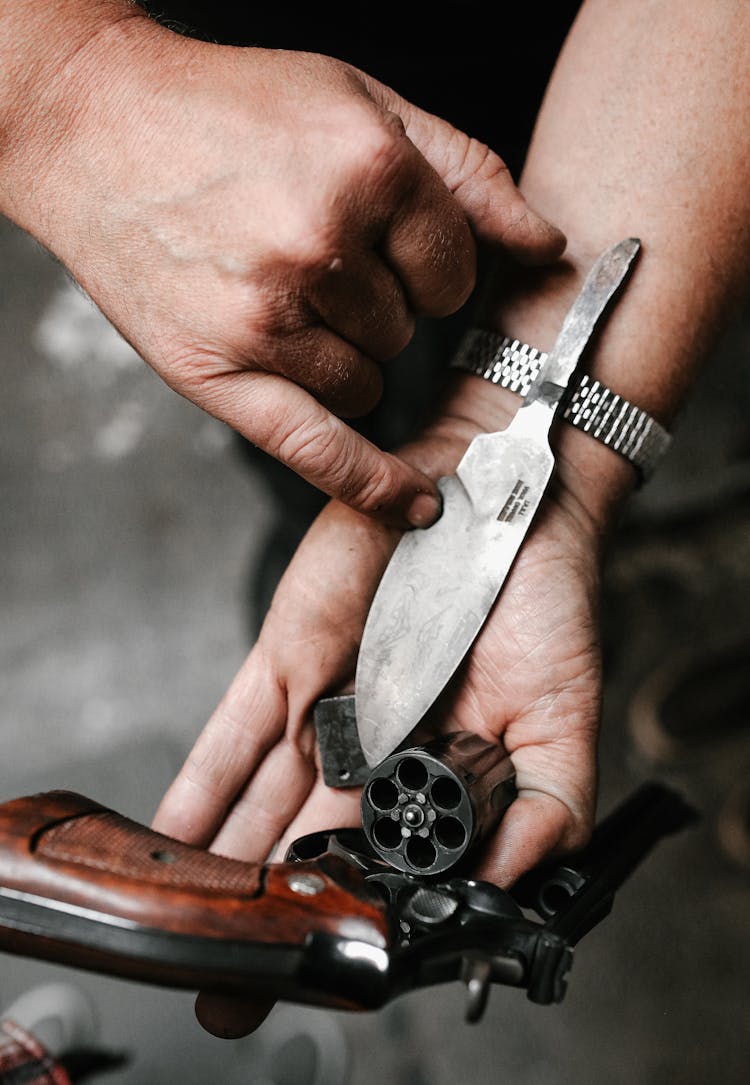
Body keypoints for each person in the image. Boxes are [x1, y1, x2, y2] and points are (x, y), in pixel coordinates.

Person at [3, 0, 750, 1041]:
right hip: (255, 196)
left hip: (668, 144)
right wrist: (59, 85)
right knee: (320, 420)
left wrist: (561, 438)